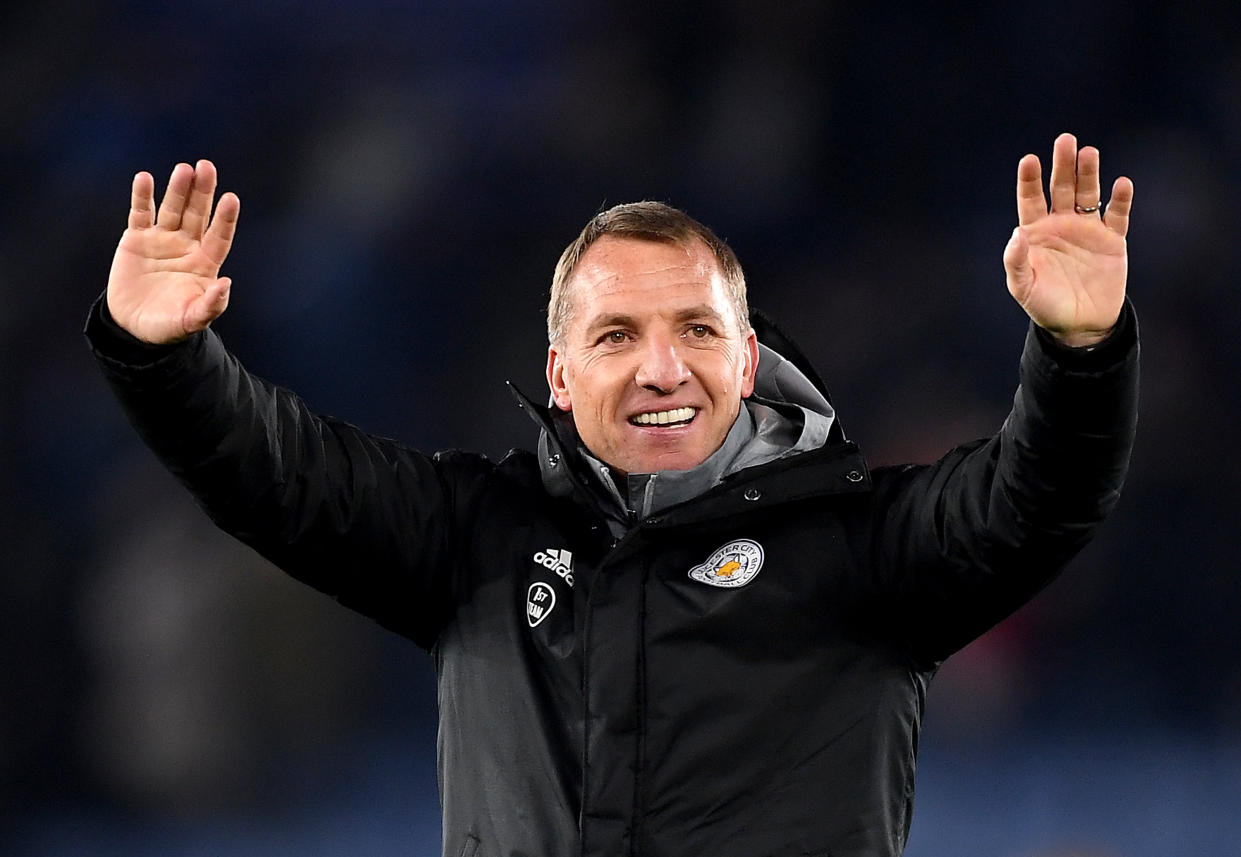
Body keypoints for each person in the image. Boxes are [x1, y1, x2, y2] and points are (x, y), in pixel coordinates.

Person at [86, 133, 1138, 857]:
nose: (660, 367)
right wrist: (165, 358)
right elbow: (276, 475)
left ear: (744, 359)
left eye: (694, 330)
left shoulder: (865, 544)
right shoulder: (475, 535)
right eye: (615, 336)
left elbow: (1035, 500)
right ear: (558, 374)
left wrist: (1080, 353)